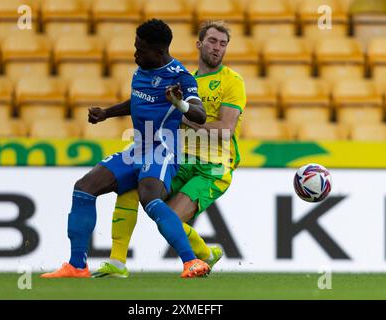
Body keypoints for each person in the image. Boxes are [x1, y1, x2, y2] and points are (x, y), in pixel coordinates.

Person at [41, 19, 210, 279]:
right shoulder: (142, 69)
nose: (135, 54)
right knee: (84, 188)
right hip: (137, 149)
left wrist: (179, 104)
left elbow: (200, 114)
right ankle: (77, 265)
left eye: (140, 49)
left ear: (159, 51)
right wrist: (106, 113)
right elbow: (138, 100)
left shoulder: (180, 77)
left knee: (150, 199)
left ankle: (192, 262)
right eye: (135, 47)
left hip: (162, 150)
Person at [91, 20, 247, 278]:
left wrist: (184, 116)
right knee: (131, 187)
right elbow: (145, 100)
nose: (217, 48)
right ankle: (117, 262)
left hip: (212, 168)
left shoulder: (232, 81)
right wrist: (108, 113)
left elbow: (226, 130)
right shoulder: (187, 81)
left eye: (223, 43)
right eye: (212, 41)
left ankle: (204, 255)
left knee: (171, 218)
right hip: (180, 159)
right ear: (199, 44)